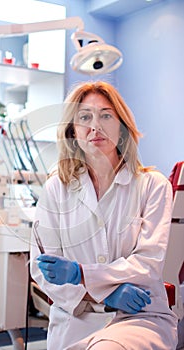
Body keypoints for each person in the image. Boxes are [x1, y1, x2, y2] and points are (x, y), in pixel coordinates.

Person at [30, 81, 178, 350]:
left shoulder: (152, 185)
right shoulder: (56, 189)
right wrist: (105, 295)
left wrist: (80, 273)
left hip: (138, 318)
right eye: (85, 117)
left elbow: (148, 264)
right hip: (75, 319)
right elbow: (42, 270)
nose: (95, 126)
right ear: (72, 131)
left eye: (106, 115)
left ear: (122, 126)